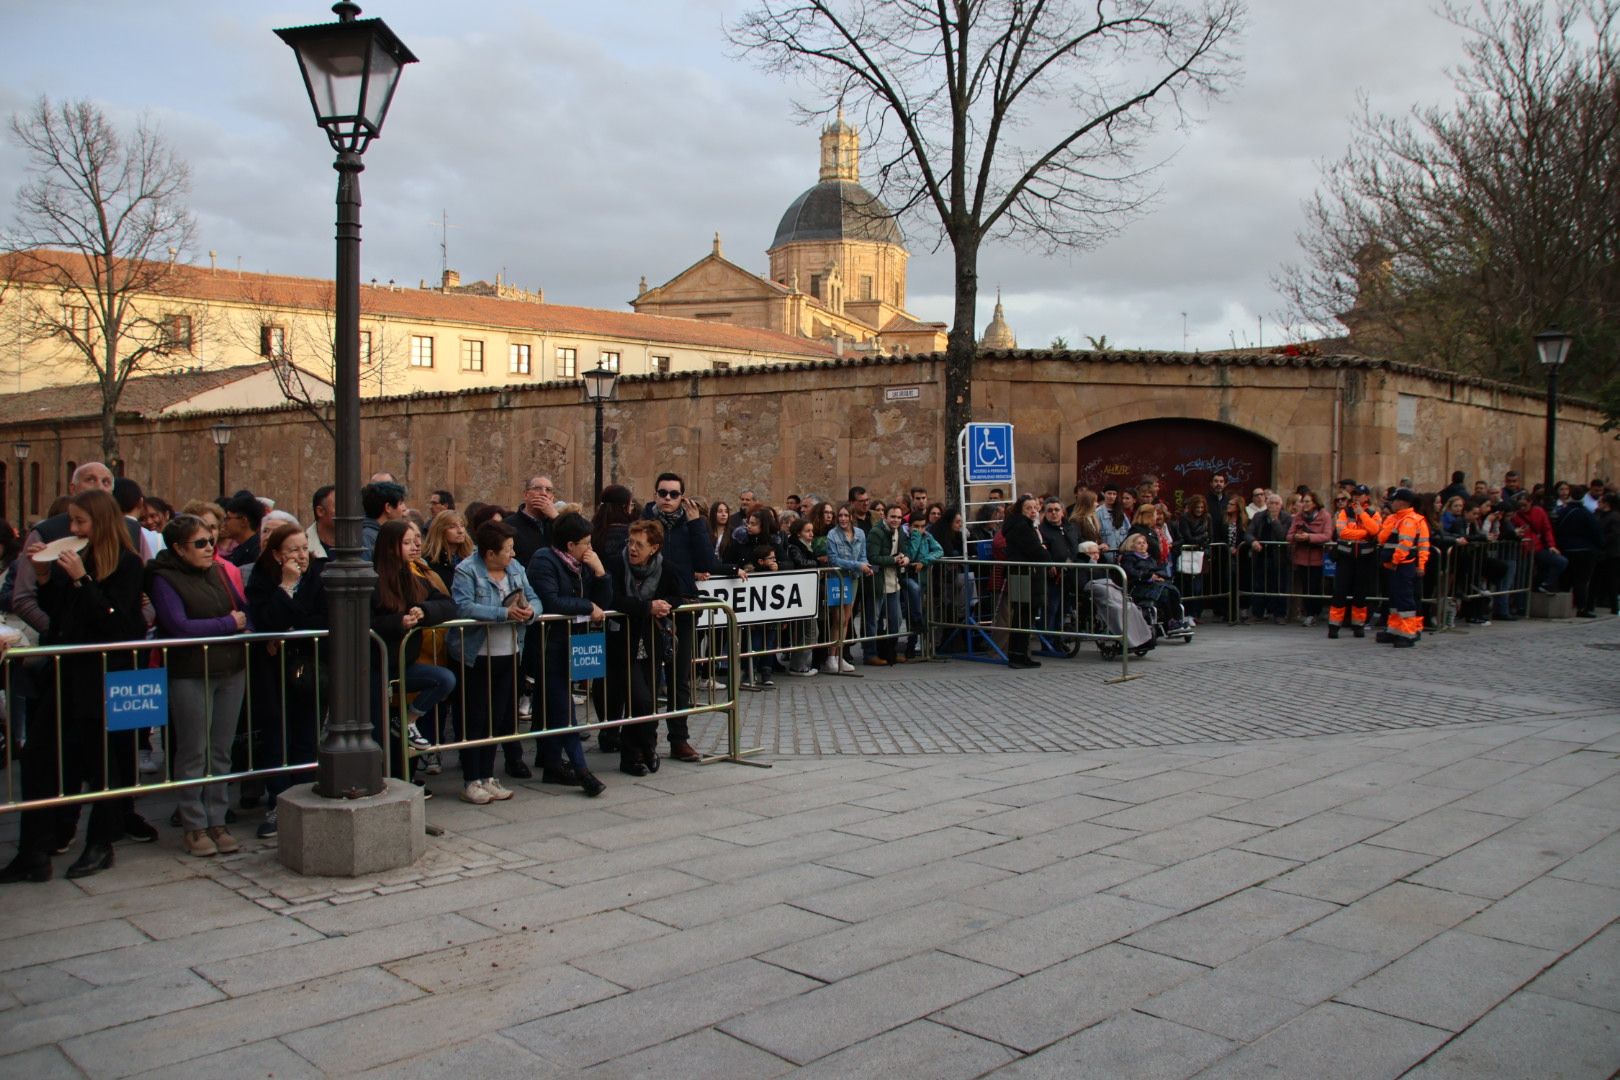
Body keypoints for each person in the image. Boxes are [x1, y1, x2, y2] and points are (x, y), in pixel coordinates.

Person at [1, 490, 146, 884]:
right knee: (38, 759)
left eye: (82, 521)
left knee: (103, 763)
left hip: (103, 677)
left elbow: (113, 621)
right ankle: (32, 850)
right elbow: (60, 613)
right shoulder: (76, 560)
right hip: (66, 675)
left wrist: (81, 580)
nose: (75, 529)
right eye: (72, 522)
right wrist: (47, 577)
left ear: (100, 522)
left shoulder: (128, 564)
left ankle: (101, 843)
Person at [149, 512, 252, 858]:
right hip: (190, 672)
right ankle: (194, 824)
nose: (210, 548)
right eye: (201, 543)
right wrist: (227, 623)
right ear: (179, 549)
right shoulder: (164, 578)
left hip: (230, 668)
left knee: (221, 750)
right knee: (194, 749)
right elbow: (178, 625)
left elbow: (243, 610)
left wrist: (238, 623)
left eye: (211, 540)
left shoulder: (220, 572)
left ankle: (217, 819)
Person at [644, 472, 735, 760]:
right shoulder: (645, 523)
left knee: (679, 678)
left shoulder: (691, 524)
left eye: (673, 494)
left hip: (682, 607)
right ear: (655, 494)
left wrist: (697, 524)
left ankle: (679, 739)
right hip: (650, 607)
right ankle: (644, 738)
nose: (667, 499)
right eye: (662, 493)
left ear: (682, 496)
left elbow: (708, 562)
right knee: (646, 678)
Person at [450, 519, 541, 804]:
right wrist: (503, 614)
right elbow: (464, 606)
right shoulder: (467, 571)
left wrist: (531, 613)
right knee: (475, 716)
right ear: (490, 553)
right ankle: (471, 779)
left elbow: (535, 598)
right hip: (477, 654)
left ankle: (488, 775)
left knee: (499, 717)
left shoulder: (516, 569)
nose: (512, 555)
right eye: (508, 550)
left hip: (511, 650)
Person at [244, 522, 324, 839]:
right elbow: (266, 618)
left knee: (306, 733)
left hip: (308, 666)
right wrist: (287, 587)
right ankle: (278, 803)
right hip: (272, 669)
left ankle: (304, 798)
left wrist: (287, 624)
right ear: (277, 553)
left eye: (304, 548)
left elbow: (316, 617)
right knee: (277, 733)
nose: (301, 555)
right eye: (293, 550)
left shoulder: (319, 573)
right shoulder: (263, 576)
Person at [369, 519, 457, 786]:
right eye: (406, 542)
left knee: (444, 679)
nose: (414, 546)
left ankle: (407, 719)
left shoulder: (414, 577)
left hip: (404, 663)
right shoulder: (372, 580)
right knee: (376, 728)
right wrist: (398, 622)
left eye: (414, 541)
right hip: (375, 665)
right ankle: (380, 778)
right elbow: (365, 622)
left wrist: (424, 611)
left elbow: (447, 604)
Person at [526, 512, 608, 795]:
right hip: (548, 645)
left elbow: (602, 601)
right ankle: (581, 768)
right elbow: (551, 601)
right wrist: (586, 607)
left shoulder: (581, 564)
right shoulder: (544, 560)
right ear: (570, 545)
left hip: (573, 642)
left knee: (556, 706)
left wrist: (600, 572)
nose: (589, 548)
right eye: (585, 542)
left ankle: (551, 763)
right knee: (563, 709)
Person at [605, 520, 686, 774]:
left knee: (647, 701)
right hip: (622, 642)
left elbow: (677, 596)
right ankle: (645, 748)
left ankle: (636, 753)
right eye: (630, 542)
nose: (632, 548)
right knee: (639, 699)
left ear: (654, 547)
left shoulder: (666, 569)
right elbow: (612, 599)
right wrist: (646, 607)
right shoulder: (616, 565)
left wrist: (664, 605)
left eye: (639, 544)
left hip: (650, 642)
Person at [1377, 488, 1429, 647]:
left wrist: (1395, 561)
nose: (1391, 503)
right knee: (1395, 600)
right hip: (1394, 566)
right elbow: (1381, 538)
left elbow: (1405, 545)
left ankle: (1408, 633)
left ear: (1402, 502)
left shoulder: (1410, 520)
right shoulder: (1396, 518)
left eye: (1393, 501)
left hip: (1402, 566)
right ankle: (1395, 629)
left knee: (1406, 601)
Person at [999, 494, 1047, 669]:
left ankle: (1020, 654)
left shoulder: (1026, 525)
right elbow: (1035, 550)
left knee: (1024, 615)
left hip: (1024, 573)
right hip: (1023, 573)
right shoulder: (1021, 526)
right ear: (1021, 510)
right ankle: (1017, 656)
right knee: (1022, 614)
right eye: (1029, 508)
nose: (1033, 511)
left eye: (1035, 507)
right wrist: (1045, 552)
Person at [1328, 485, 1381, 639]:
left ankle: (1358, 626)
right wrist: (1364, 534)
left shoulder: (1373, 514)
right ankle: (1334, 626)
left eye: (1360, 495)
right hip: (1345, 559)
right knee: (1339, 593)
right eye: (1355, 494)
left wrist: (1362, 515)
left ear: (1367, 497)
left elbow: (1376, 531)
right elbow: (1342, 532)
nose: (1356, 497)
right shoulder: (1344, 513)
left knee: (1361, 595)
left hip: (1365, 560)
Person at [821, 504, 868, 673]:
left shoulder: (860, 533)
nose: (842, 519)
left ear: (851, 517)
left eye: (845, 515)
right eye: (840, 515)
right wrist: (858, 565)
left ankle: (840, 656)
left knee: (847, 619)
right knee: (838, 619)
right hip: (838, 579)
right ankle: (831, 657)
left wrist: (865, 566)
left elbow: (863, 554)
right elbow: (834, 560)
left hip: (853, 578)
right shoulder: (832, 534)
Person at [865, 503, 911, 665]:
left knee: (896, 619)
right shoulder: (876, 532)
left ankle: (890, 651)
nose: (896, 520)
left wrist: (906, 558)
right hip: (877, 581)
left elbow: (906, 550)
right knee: (873, 620)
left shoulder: (901, 532)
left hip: (894, 581)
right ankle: (870, 654)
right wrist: (893, 560)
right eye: (893, 516)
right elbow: (872, 557)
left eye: (899, 517)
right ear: (885, 516)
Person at [780, 515, 822, 676]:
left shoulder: (807, 546)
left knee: (809, 631)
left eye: (812, 531)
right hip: (801, 593)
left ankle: (802, 664)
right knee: (807, 632)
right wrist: (818, 563)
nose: (811, 534)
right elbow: (800, 563)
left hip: (807, 593)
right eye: (807, 531)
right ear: (799, 533)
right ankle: (799, 666)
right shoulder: (794, 547)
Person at [1552, 494, 1603, 617]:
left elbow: (1555, 530)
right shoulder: (1587, 514)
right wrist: (1598, 547)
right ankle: (1581, 608)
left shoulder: (1562, 512)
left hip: (1565, 550)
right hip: (1585, 551)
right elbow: (1597, 534)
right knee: (1581, 581)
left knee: (1566, 579)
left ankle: (1562, 607)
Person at [1286, 490, 1332, 626]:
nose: (1304, 504)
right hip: (1301, 557)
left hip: (1316, 557)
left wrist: (1310, 537)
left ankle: (1313, 613)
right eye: (1303, 501)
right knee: (1305, 587)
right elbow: (1289, 535)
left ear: (1315, 503)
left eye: (1307, 501)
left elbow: (1327, 535)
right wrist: (1296, 537)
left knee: (1314, 586)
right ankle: (1308, 613)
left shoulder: (1325, 516)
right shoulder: (1298, 517)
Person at [1246, 492, 1291, 624]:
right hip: (1261, 556)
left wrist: (1275, 520)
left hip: (1279, 558)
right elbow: (1249, 533)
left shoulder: (1286, 518)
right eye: (1271, 503)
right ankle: (1257, 613)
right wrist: (1253, 541)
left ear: (1281, 505)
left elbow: (1283, 536)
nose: (1273, 506)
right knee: (1259, 585)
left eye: (1276, 503)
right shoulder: (1258, 516)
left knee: (1279, 586)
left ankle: (1279, 614)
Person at [1174, 494, 1214, 621]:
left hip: (1202, 554)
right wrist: (1202, 538)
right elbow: (1188, 537)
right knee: (1189, 585)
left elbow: (1211, 536)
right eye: (1197, 507)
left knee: (1199, 586)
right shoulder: (1185, 518)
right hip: (1189, 553)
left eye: (1202, 507)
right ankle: (1188, 613)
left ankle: (1197, 613)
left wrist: (1205, 544)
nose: (1199, 509)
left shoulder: (1208, 518)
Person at [359, 481, 408, 561]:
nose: (405, 508)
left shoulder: (382, 533)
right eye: (401, 503)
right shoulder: (367, 538)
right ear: (388, 507)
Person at [422, 510, 473, 586]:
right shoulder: (428, 561)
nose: (460, 531)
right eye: (452, 527)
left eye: (462, 525)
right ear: (440, 530)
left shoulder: (472, 557)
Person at [221, 493, 265, 568]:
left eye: (228, 518)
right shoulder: (240, 549)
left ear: (243, 521)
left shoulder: (258, 551)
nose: (224, 524)